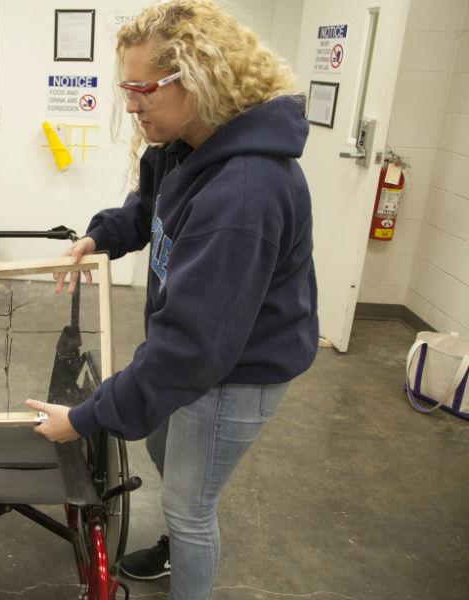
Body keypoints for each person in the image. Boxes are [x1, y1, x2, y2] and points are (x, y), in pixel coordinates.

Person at [27, 1, 319, 598]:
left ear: (200, 79)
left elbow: (190, 351)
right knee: (163, 446)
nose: (130, 104)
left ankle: (186, 552)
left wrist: (82, 419)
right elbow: (146, 207)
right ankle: (179, 542)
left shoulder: (242, 193)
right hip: (202, 359)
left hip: (237, 375)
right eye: (125, 87)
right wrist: (97, 238)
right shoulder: (188, 144)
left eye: (141, 89)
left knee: (190, 508)